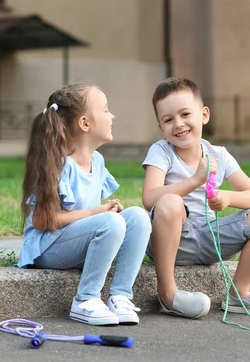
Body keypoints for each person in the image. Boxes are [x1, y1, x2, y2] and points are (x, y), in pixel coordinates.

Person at [141, 77, 250, 319]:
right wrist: (196, 179)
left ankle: (239, 294)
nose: (178, 124)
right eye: (168, 120)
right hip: (173, 239)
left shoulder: (219, 155)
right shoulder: (161, 151)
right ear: (160, 127)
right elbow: (149, 198)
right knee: (171, 201)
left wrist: (227, 197)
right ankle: (168, 294)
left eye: (186, 114)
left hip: (211, 238)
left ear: (204, 115)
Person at [16, 83, 151, 326]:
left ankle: (120, 296)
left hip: (74, 243)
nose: (112, 116)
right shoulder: (58, 165)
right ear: (85, 123)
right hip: (48, 248)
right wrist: (94, 213)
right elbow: (42, 221)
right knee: (110, 222)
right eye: (106, 110)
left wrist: (104, 211)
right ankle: (85, 300)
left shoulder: (97, 161)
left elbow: (95, 218)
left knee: (138, 217)